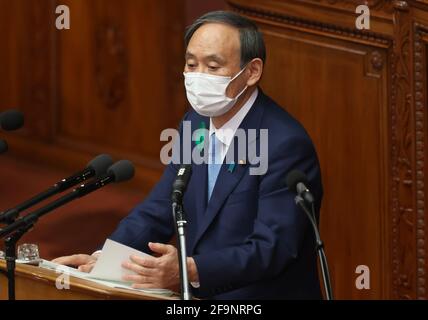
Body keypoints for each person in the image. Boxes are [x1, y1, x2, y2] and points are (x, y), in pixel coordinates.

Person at [54, 10, 323, 299]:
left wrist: (190, 270)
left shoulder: (284, 144)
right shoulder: (194, 122)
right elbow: (160, 208)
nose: (197, 77)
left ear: (252, 72)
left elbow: (273, 247)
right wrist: (106, 261)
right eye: (191, 64)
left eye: (213, 66)